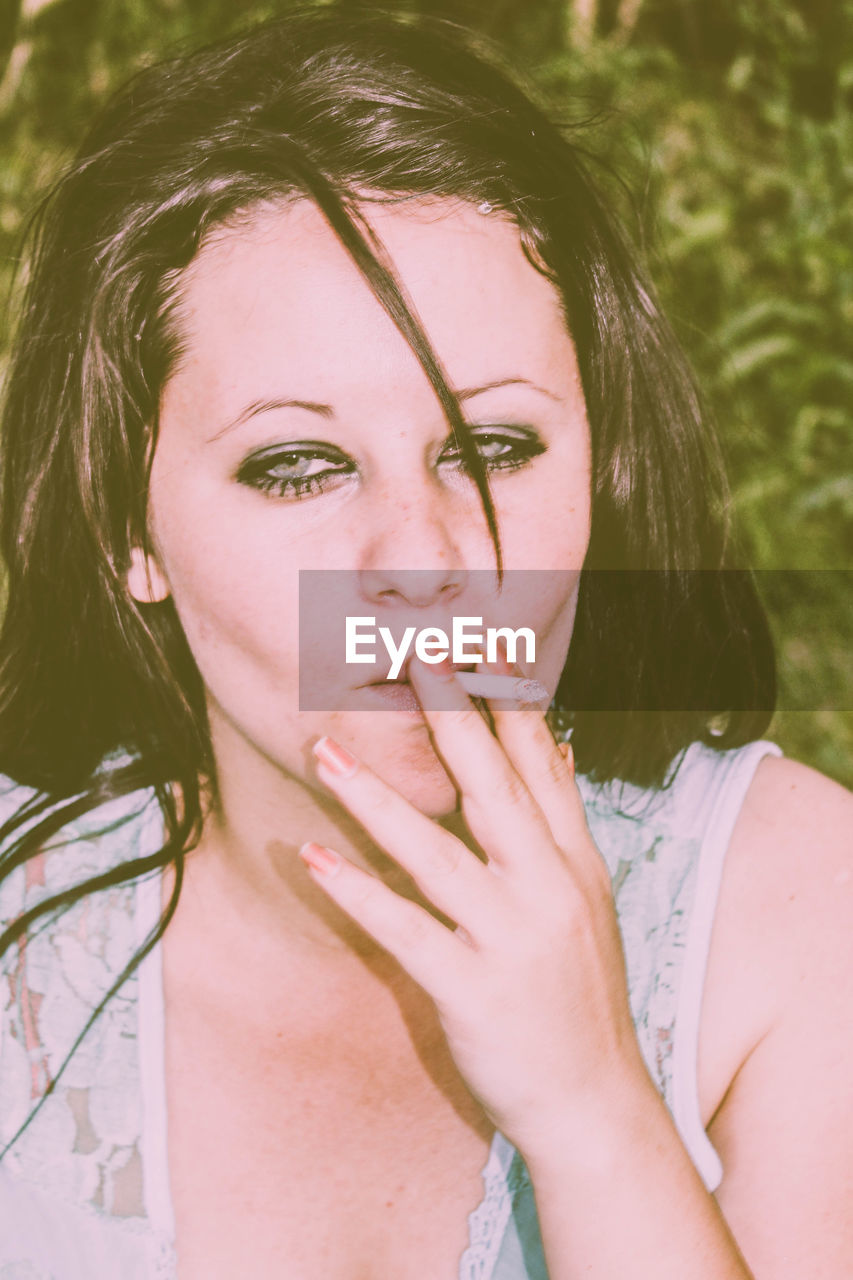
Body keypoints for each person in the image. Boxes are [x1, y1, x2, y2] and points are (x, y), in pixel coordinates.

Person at [0, 8, 850, 1279]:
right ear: (129, 526)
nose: (423, 553)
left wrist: (594, 1113)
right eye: (298, 465)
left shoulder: (795, 911)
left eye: (494, 446)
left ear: (603, 474)